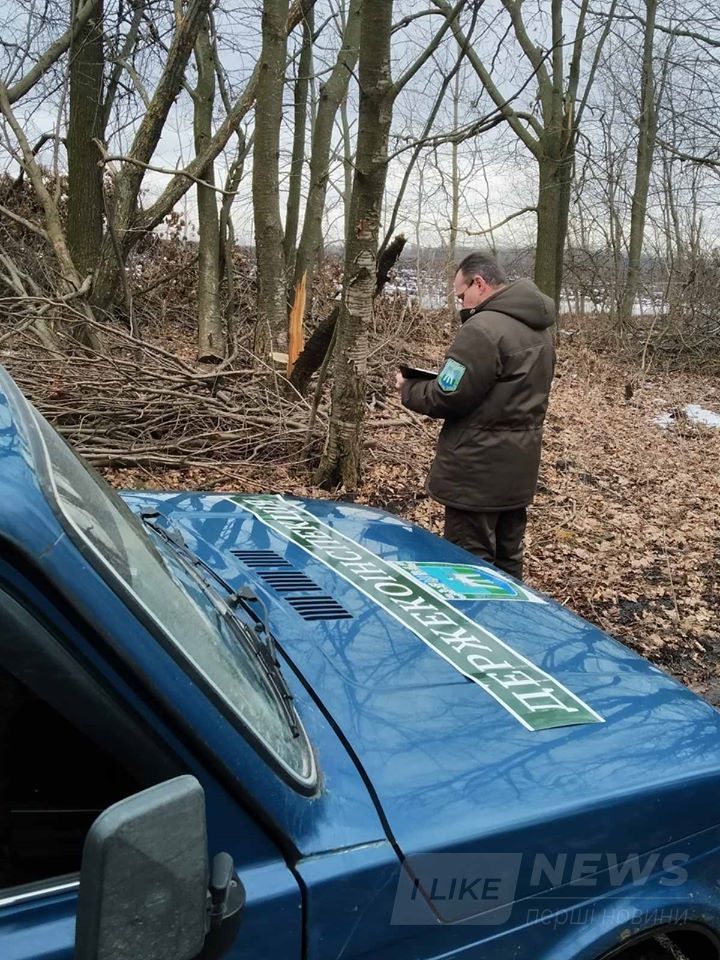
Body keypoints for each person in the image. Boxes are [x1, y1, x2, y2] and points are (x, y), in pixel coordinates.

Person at [395, 252, 555, 580]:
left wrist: (408, 388)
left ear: (478, 283)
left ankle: (472, 627)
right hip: (518, 468)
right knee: (508, 561)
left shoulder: (482, 329)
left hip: (476, 473)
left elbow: (447, 395)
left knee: (468, 566)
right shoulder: (540, 331)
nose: (462, 305)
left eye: (461, 296)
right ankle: (510, 625)